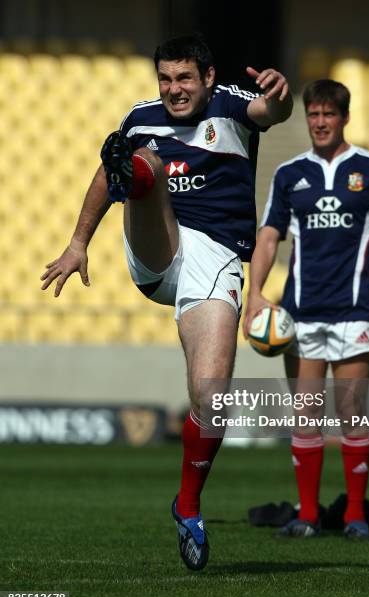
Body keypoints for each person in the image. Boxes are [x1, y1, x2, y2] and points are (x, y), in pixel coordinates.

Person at [40, 34, 292, 569]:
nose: (174, 89)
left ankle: (188, 504)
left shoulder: (230, 106)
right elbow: (103, 174)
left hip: (216, 258)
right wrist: (78, 243)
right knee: (137, 160)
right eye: (165, 78)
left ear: (206, 77)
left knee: (212, 398)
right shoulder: (142, 116)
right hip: (158, 244)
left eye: (183, 78)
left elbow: (270, 109)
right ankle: (139, 175)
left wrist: (280, 95)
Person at [244, 79, 369, 539]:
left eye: (328, 115)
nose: (319, 122)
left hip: (355, 310)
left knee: (352, 414)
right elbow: (269, 238)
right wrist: (255, 293)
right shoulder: (289, 174)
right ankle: (309, 515)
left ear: (344, 118)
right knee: (307, 416)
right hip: (300, 314)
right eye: (313, 115)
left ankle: (355, 515)